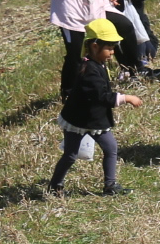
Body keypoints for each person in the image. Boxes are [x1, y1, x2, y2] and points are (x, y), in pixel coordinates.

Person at [49, 18, 142, 197]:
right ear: (94, 46)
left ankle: (110, 185)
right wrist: (126, 98)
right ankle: (55, 187)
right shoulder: (89, 71)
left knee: (111, 148)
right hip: (78, 120)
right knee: (70, 155)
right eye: (109, 48)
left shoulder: (97, 64)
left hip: (95, 119)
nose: (112, 52)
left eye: (113, 48)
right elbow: (102, 97)